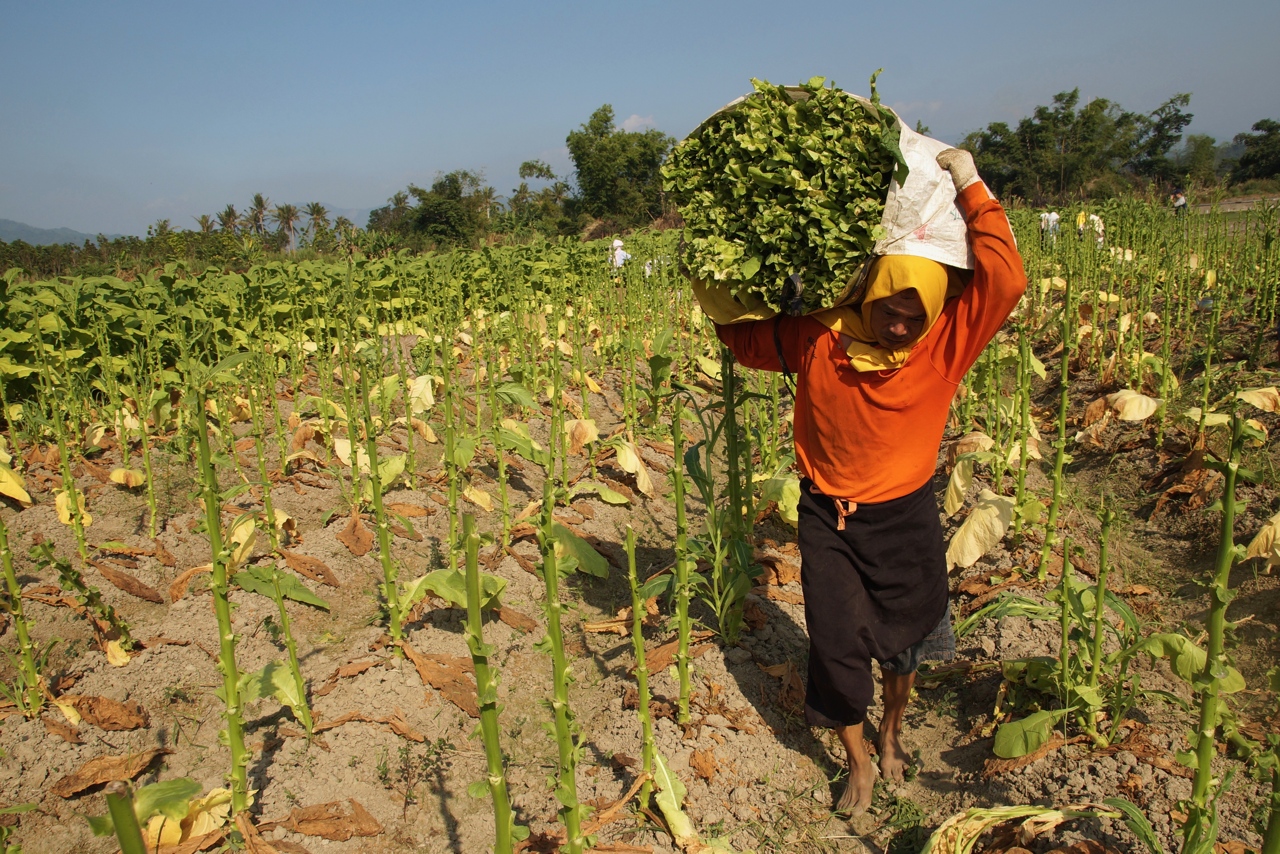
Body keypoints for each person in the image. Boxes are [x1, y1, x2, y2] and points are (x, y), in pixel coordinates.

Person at [713, 148, 1026, 816]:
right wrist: (720, 271)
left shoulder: (945, 345)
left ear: (937, 306)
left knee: (903, 646)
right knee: (835, 644)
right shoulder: (818, 339)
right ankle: (858, 761)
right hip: (828, 518)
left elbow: (1004, 279)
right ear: (872, 289)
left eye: (918, 311)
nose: (902, 322)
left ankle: (891, 732)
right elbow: (741, 339)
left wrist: (970, 181)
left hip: (906, 518)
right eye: (893, 305)